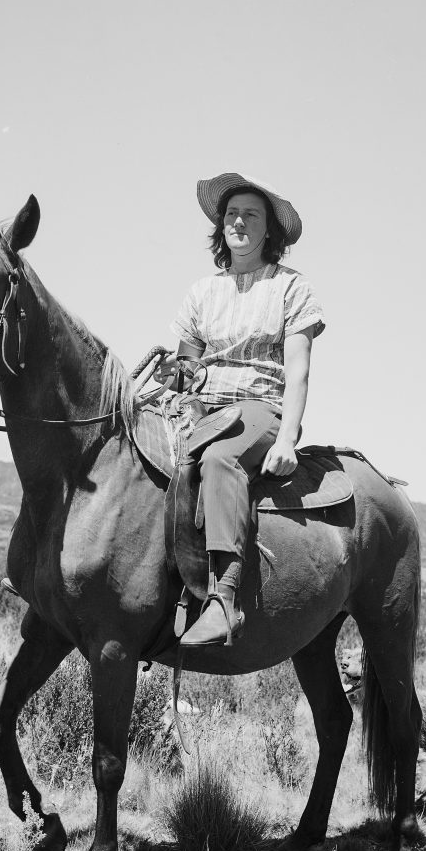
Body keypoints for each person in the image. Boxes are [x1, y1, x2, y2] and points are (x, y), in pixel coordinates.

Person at [170, 172, 325, 647]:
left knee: (220, 460)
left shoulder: (290, 288)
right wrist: (179, 381)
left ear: (268, 231)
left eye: (250, 214)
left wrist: (286, 439)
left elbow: (297, 373)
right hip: (204, 408)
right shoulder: (201, 292)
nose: (238, 221)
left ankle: (225, 599)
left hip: (259, 407)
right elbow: (186, 364)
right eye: (231, 214)